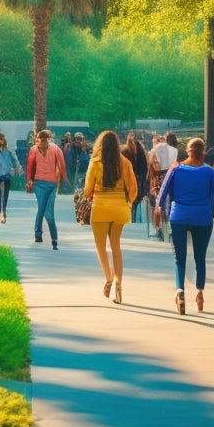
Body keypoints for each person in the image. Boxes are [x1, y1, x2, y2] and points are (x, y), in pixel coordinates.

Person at [155, 137, 214, 315]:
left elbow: (164, 191)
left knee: (179, 258)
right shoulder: (210, 173)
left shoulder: (176, 169)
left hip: (179, 217)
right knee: (200, 257)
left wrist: (159, 208)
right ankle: (200, 293)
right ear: (204, 152)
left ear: (188, 150)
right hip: (202, 218)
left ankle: (180, 292)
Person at [84, 130, 138, 305]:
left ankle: (109, 278)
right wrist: (128, 203)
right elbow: (133, 189)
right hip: (120, 209)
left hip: (100, 209)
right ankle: (119, 284)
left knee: (101, 248)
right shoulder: (125, 163)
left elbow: (87, 190)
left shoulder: (95, 163)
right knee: (116, 246)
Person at [26, 129, 69, 250]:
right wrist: (29, 180)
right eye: (39, 139)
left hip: (49, 185)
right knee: (45, 210)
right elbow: (30, 166)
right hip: (41, 184)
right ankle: (51, 239)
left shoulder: (55, 149)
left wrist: (67, 182)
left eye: (41, 139)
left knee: (44, 210)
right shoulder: (34, 150)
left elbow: (62, 167)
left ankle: (40, 234)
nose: (40, 141)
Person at [122, 132, 148, 223]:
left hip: (129, 181)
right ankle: (134, 219)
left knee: (129, 203)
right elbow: (144, 169)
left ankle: (130, 219)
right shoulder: (141, 151)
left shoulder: (124, 152)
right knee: (136, 203)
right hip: (138, 181)